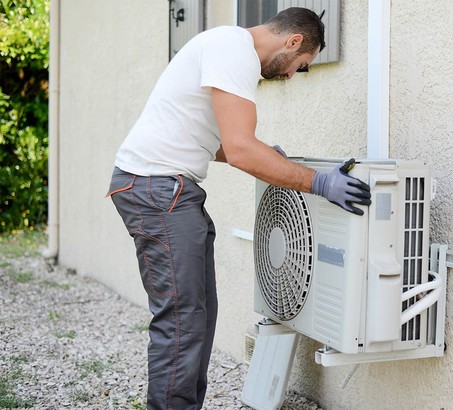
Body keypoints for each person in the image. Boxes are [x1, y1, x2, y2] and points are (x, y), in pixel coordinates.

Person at [106, 7, 371, 410]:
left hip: (163, 188)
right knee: (182, 320)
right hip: (158, 189)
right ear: (293, 41)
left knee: (199, 314)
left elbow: (215, 144)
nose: (290, 76)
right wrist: (318, 182)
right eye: (300, 67)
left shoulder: (224, 47)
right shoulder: (234, 51)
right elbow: (242, 149)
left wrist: (272, 160)